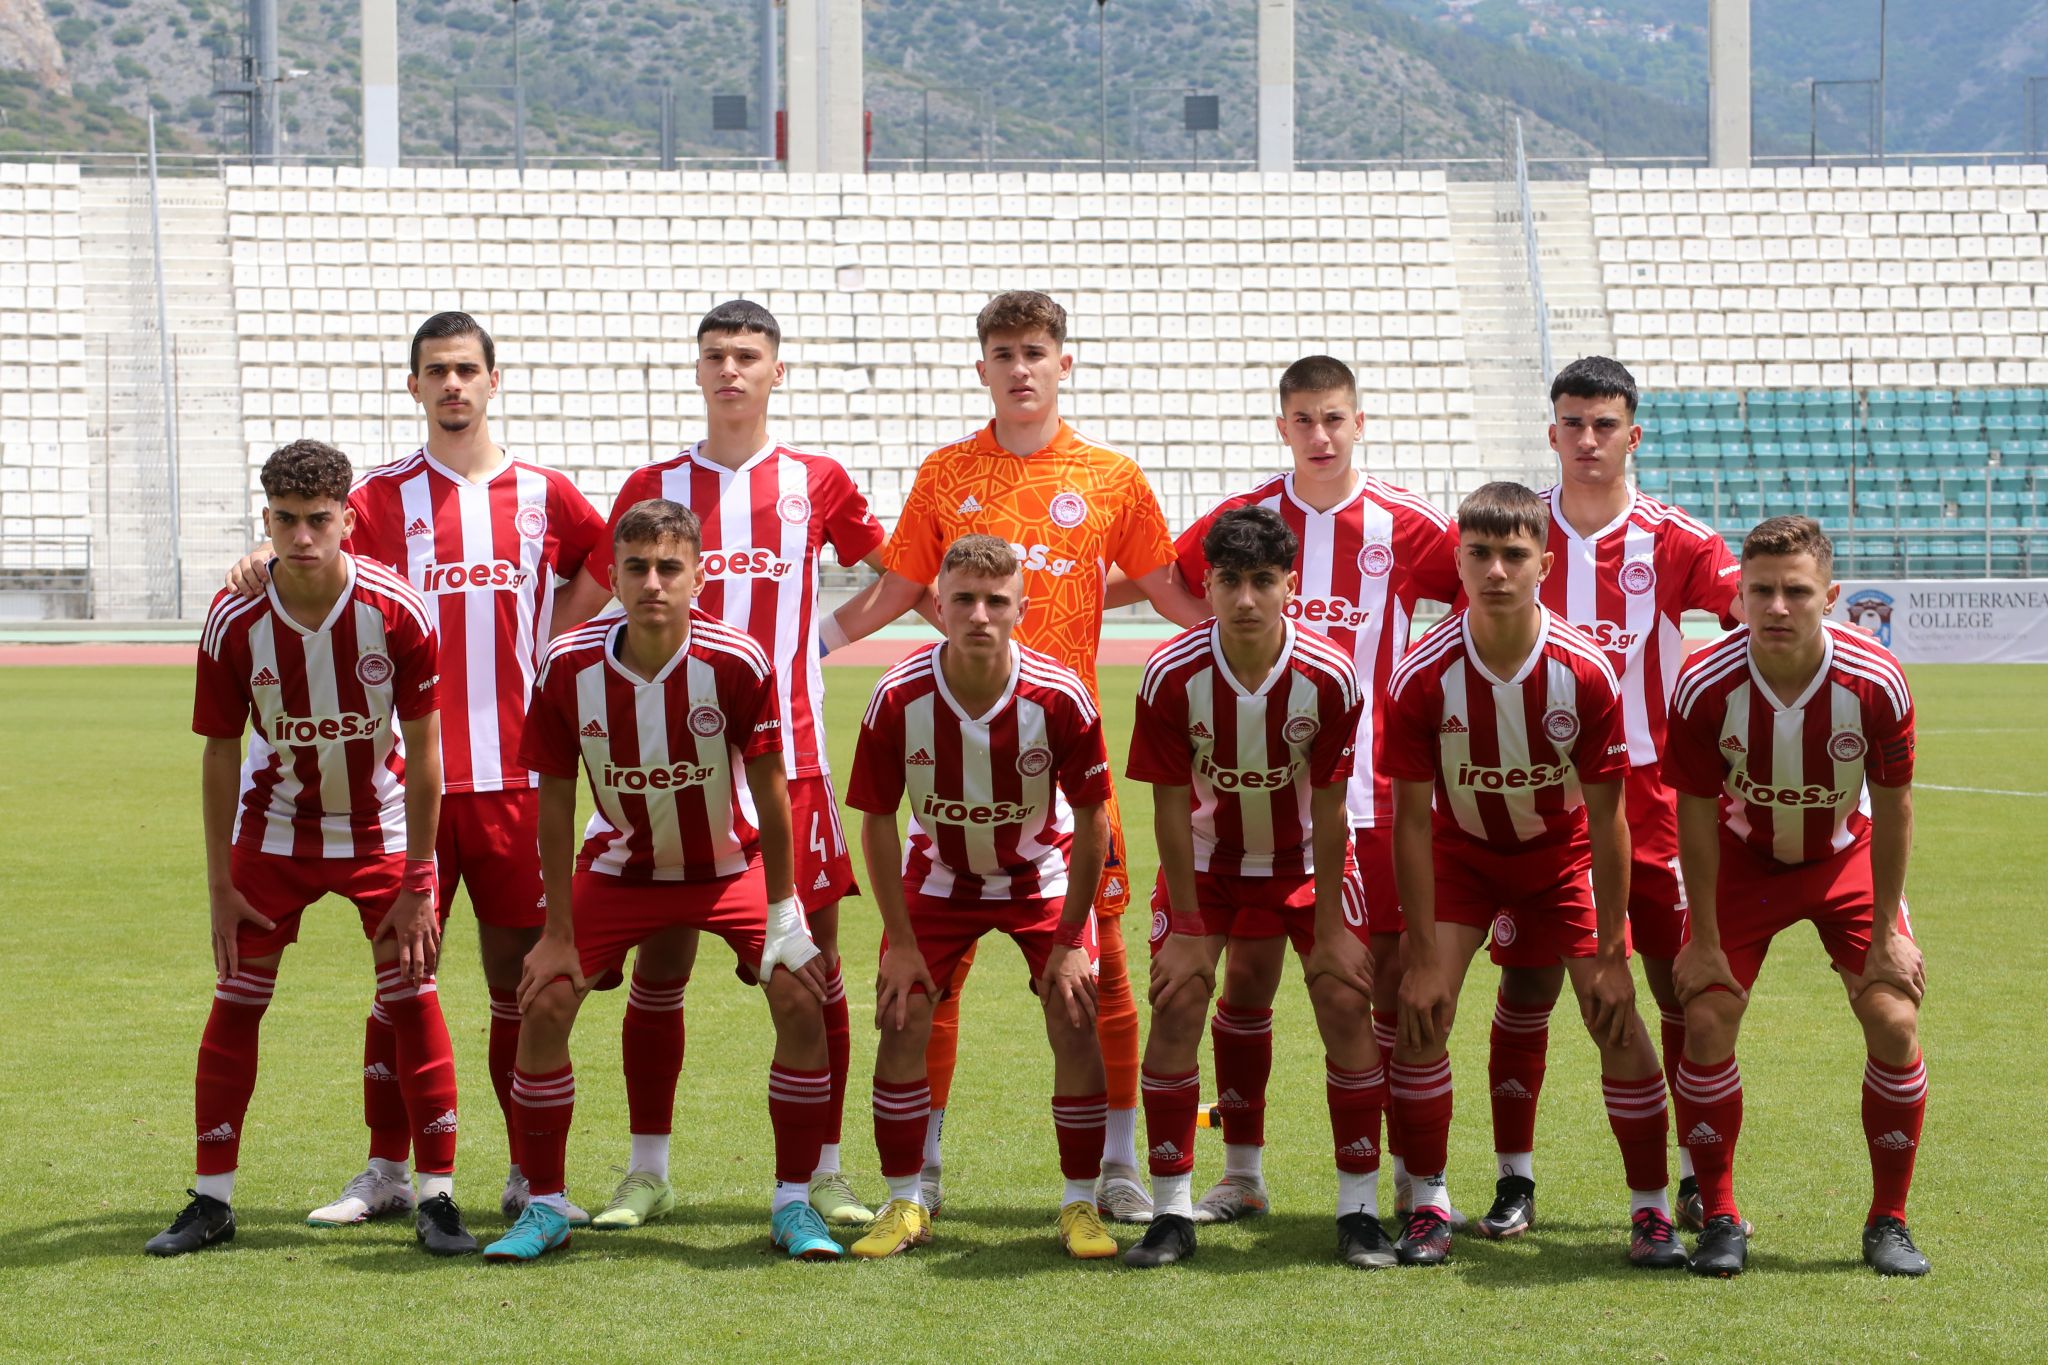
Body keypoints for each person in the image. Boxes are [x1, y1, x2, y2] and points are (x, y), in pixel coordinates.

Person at [824, 289, 1208, 1220]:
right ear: (983, 367)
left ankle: (1117, 1164)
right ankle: (924, 1170)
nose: (1021, 367)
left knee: (1100, 971)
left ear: (1063, 362)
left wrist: (1264, 657)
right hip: (955, 763)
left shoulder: (1111, 477)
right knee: (931, 979)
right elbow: (896, 591)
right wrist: (801, 650)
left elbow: (1169, 594)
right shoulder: (947, 470)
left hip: (1068, 770)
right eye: (1004, 353)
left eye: (1036, 351)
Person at [223, 312, 606, 1227]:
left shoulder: (546, 493)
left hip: (516, 780)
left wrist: (553, 634)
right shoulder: (382, 496)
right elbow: (308, 548)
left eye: (467, 369)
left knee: (522, 985)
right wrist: (259, 557)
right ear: (415, 386)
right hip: (407, 785)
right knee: (400, 982)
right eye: (437, 370)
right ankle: (388, 1168)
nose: (453, 384)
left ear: (493, 380)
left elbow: (602, 559)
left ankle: (529, 1172)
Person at [562, 300, 889, 1229]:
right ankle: (647, 1170)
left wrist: (817, 642)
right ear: (698, 370)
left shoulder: (817, 480)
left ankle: (823, 1172)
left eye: (748, 355)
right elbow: (590, 597)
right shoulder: (654, 485)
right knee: (660, 964)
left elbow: (898, 574)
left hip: (792, 761)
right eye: (715, 355)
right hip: (670, 762)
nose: (731, 369)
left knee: (813, 967)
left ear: (777, 370)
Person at [483, 498, 839, 1263]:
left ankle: (793, 1202)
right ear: (612, 577)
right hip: (622, 866)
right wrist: (556, 930)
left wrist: (785, 912)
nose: (652, 582)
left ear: (698, 576)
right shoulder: (568, 663)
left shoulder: (737, 660)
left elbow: (773, 790)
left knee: (800, 990)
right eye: (637, 567)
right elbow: (554, 799)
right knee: (544, 996)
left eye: (669, 567)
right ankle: (545, 1202)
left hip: (728, 865)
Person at [151, 439, 475, 1257]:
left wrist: (420, 876)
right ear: (266, 519)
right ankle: (212, 1200)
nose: (302, 537)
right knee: (236, 998)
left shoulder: (397, 610)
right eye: (287, 520)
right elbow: (219, 750)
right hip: (275, 829)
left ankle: (437, 1197)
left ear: (347, 520)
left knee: (413, 995)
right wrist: (220, 882)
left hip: (379, 826)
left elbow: (428, 750)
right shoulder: (234, 619)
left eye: (319, 520)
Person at [1165, 355, 1462, 1226]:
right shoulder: (1247, 517)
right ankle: (1242, 1172)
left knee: (1382, 987)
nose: (1320, 435)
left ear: (1358, 422)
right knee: (1247, 983)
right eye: (1303, 419)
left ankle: (1412, 1178)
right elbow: (1174, 577)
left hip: (1374, 795)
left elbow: (1484, 595)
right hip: (1260, 802)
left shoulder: (1409, 524)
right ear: (1282, 426)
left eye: (1334, 418)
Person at [1381, 481, 1682, 1270]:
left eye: (1514, 555)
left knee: (1615, 1016)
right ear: (1458, 562)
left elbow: (1610, 820)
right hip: (1462, 857)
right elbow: (1411, 821)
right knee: (1422, 1012)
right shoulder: (1422, 674)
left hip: (1560, 857)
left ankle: (1651, 1211)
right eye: (1480, 554)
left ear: (1544, 565)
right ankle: (1428, 1202)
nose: (1496, 570)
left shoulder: (1585, 671)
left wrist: (1613, 950)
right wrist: (1420, 953)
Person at [1478, 355, 1745, 1239]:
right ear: (1552, 432)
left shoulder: (1675, 539)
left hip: (1654, 799)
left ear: (1633, 435)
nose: (1587, 439)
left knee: (1677, 985)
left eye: (1604, 425)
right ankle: (1514, 1180)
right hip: (1540, 800)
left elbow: (1752, 613)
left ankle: (1697, 1177)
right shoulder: (1517, 533)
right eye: (1573, 423)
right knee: (1527, 985)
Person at [1121, 505, 1391, 1270]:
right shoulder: (1171, 673)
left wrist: (1333, 926)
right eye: (1231, 580)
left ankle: (1359, 1209)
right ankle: (1171, 1213)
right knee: (1178, 1000)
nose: (1246, 598)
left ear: (1289, 586)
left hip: (1304, 860)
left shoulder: (1329, 673)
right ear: (1207, 584)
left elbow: (1333, 808)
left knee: (1345, 999)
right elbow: (1168, 807)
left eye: (1263, 581)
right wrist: (1184, 925)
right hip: (1209, 862)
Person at [1664, 515, 1929, 1278]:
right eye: (1761, 591)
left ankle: (1889, 1219)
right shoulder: (1705, 682)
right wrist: (1703, 938)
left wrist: (1888, 933)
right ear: (1740, 596)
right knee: (1707, 1013)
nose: (1777, 606)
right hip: (1744, 859)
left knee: (1893, 1015)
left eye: (1797, 591)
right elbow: (1695, 813)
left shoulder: (1875, 678)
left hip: (1843, 857)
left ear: (1831, 597)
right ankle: (1720, 1216)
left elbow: (1896, 807)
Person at [842, 534, 1120, 1260]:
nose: (979, 615)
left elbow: (1094, 820)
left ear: (1022, 608)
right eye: (963, 599)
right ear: (937, 605)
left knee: (1075, 1011)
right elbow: (876, 820)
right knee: (902, 1012)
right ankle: (905, 1199)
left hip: (1040, 871)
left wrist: (1069, 944)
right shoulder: (897, 695)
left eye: (996, 601)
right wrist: (901, 944)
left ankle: (1080, 1203)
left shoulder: (1059, 695)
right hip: (939, 874)